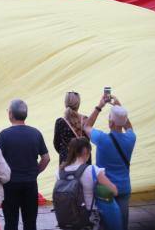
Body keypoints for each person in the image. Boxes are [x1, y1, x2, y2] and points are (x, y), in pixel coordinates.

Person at [0, 100, 50, 230]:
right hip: (30, 183)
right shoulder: (35, 133)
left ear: (11, 115)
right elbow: (46, 158)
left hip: (10, 185)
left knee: (11, 223)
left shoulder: (4, 135)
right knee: (30, 223)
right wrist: (35, 171)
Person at [84, 94, 135, 230]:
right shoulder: (131, 138)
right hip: (124, 188)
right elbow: (129, 126)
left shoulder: (101, 139)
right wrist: (119, 107)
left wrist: (100, 106)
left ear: (111, 122)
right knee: (122, 225)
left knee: (105, 225)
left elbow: (86, 126)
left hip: (105, 189)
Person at [55, 138, 121, 230]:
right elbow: (114, 191)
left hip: (67, 218)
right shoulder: (93, 170)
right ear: (86, 151)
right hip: (88, 218)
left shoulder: (59, 171)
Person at [53, 91, 88, 163]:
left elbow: (56, 144)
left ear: (65, 103)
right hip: (84, 162)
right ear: (78, 104)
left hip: (66, 161)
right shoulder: (85, 120)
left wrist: (65, 151)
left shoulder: (60, 122)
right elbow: (87, 141)